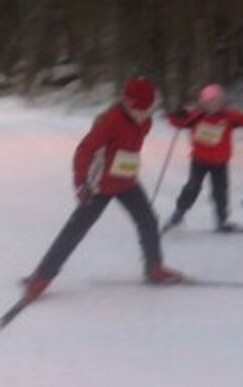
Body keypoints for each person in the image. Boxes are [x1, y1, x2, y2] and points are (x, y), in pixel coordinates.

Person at [22, 77, 184, 302]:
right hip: (99, 185)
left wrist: (179, 118)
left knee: (148, 220)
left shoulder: (145, 122)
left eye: (148, 109)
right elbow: (84, 151)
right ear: (127, 103)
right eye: (139, 109)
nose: (143, 114)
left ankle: (154, 268)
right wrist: (80, 183)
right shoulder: (111, 121)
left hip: (126, 181)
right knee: (75, 230)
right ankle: (41, 278)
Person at [164, 83, 243, 233]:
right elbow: (177, 122)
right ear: (203, 102)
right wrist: (176, 115)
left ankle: (222, 220)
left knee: (220, 191)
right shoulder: (196, 116)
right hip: (199, 161)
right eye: (209, 102)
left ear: (221, 102)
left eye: (216, 101)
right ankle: (178, 214)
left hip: (220, 162)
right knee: (192, 187)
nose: (213, 105)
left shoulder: (228, 116)